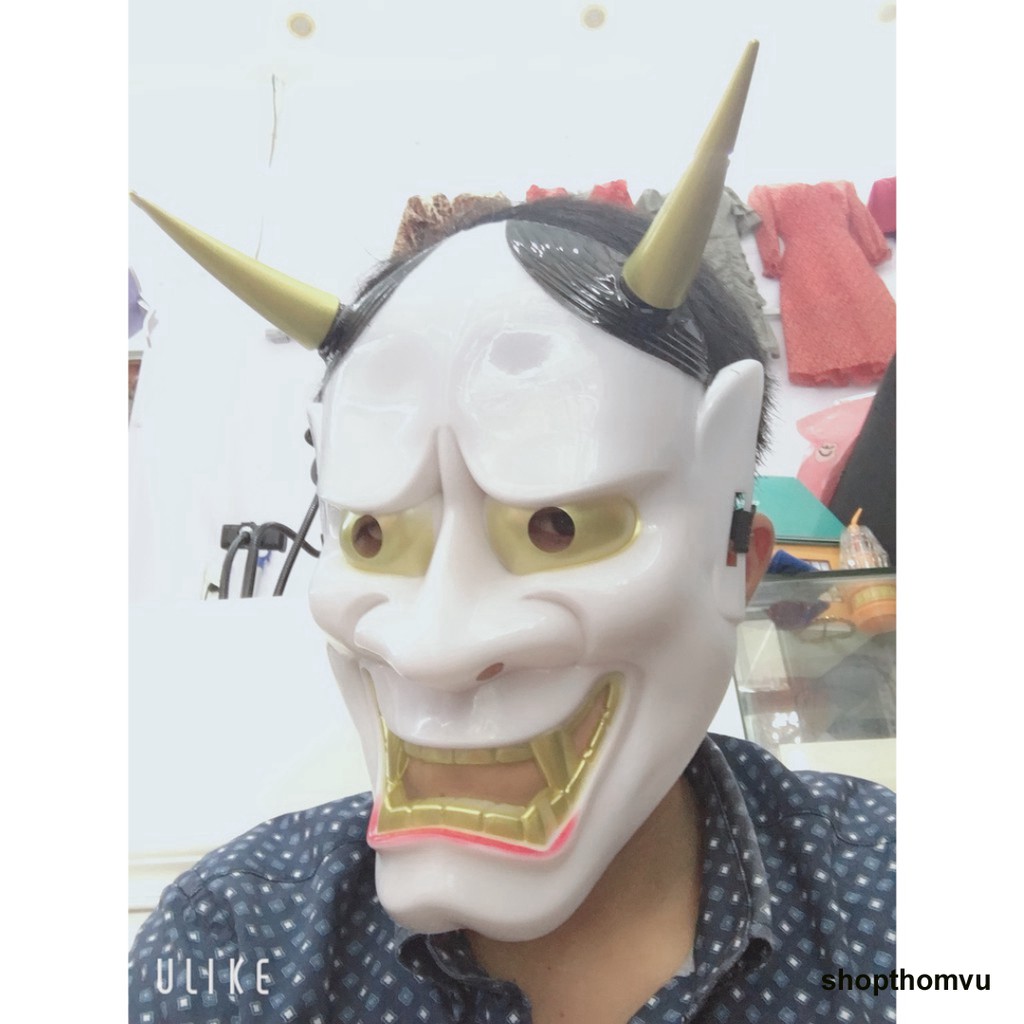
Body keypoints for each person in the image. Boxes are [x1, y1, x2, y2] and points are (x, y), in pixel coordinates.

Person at [129, 43, 895, 1023]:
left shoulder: (896, 910)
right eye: (374, 537)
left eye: (556, 525)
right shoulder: (233, 944)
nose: (434, 645)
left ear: (735, 562)